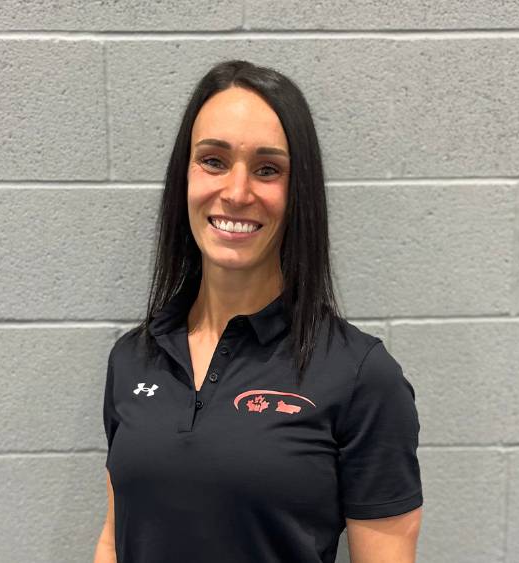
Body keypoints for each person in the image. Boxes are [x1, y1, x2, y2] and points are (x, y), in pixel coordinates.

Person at [94, 59, 423, 563]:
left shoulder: (360, 376)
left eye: (268, 169)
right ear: (184, 176)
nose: (236, 192)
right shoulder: (133, 359)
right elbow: (114, 538)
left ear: (298, 193)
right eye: (213, 161)